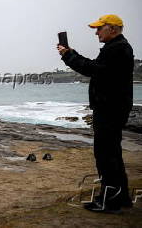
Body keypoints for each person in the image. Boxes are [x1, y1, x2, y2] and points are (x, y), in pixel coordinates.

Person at [57, 14, 134, 213]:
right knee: (112, 154)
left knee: (106, 156)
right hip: (112, 108)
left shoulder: (118, 49)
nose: (96, 32)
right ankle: (121, 198)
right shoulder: (116, 48)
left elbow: (93, 69)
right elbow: (95, 67)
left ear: (113, 29)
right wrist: (72, 53)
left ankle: (110, 202)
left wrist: (68, 56)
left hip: (110, 109)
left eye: (100, 28)